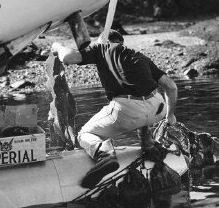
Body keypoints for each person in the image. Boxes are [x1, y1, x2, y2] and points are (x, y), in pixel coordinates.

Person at [52, 29, 178, 189]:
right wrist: (170, 116)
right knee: (143, 108)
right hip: (158, 108)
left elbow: (69, 57)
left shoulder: (101, 48)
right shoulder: (140, 56)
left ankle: (105, 156)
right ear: (121, 42)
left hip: (127, 109)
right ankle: (148, 145)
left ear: (103, 41)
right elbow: (171, 87)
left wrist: (57, 46)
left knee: (85, 134)